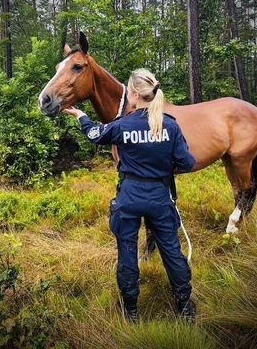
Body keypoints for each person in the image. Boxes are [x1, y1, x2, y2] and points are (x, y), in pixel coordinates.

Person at [64, 68, 196, 323]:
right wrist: (164, 165)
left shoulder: (123, 124)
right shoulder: (170, 125)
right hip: (160, 197)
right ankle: (185, 306)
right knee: (171, 251)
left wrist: (81, 116)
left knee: (127, 252)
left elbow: (95, 135)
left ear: (134, 94)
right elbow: (187, 163)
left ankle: (131, 310)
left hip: (129, 197)